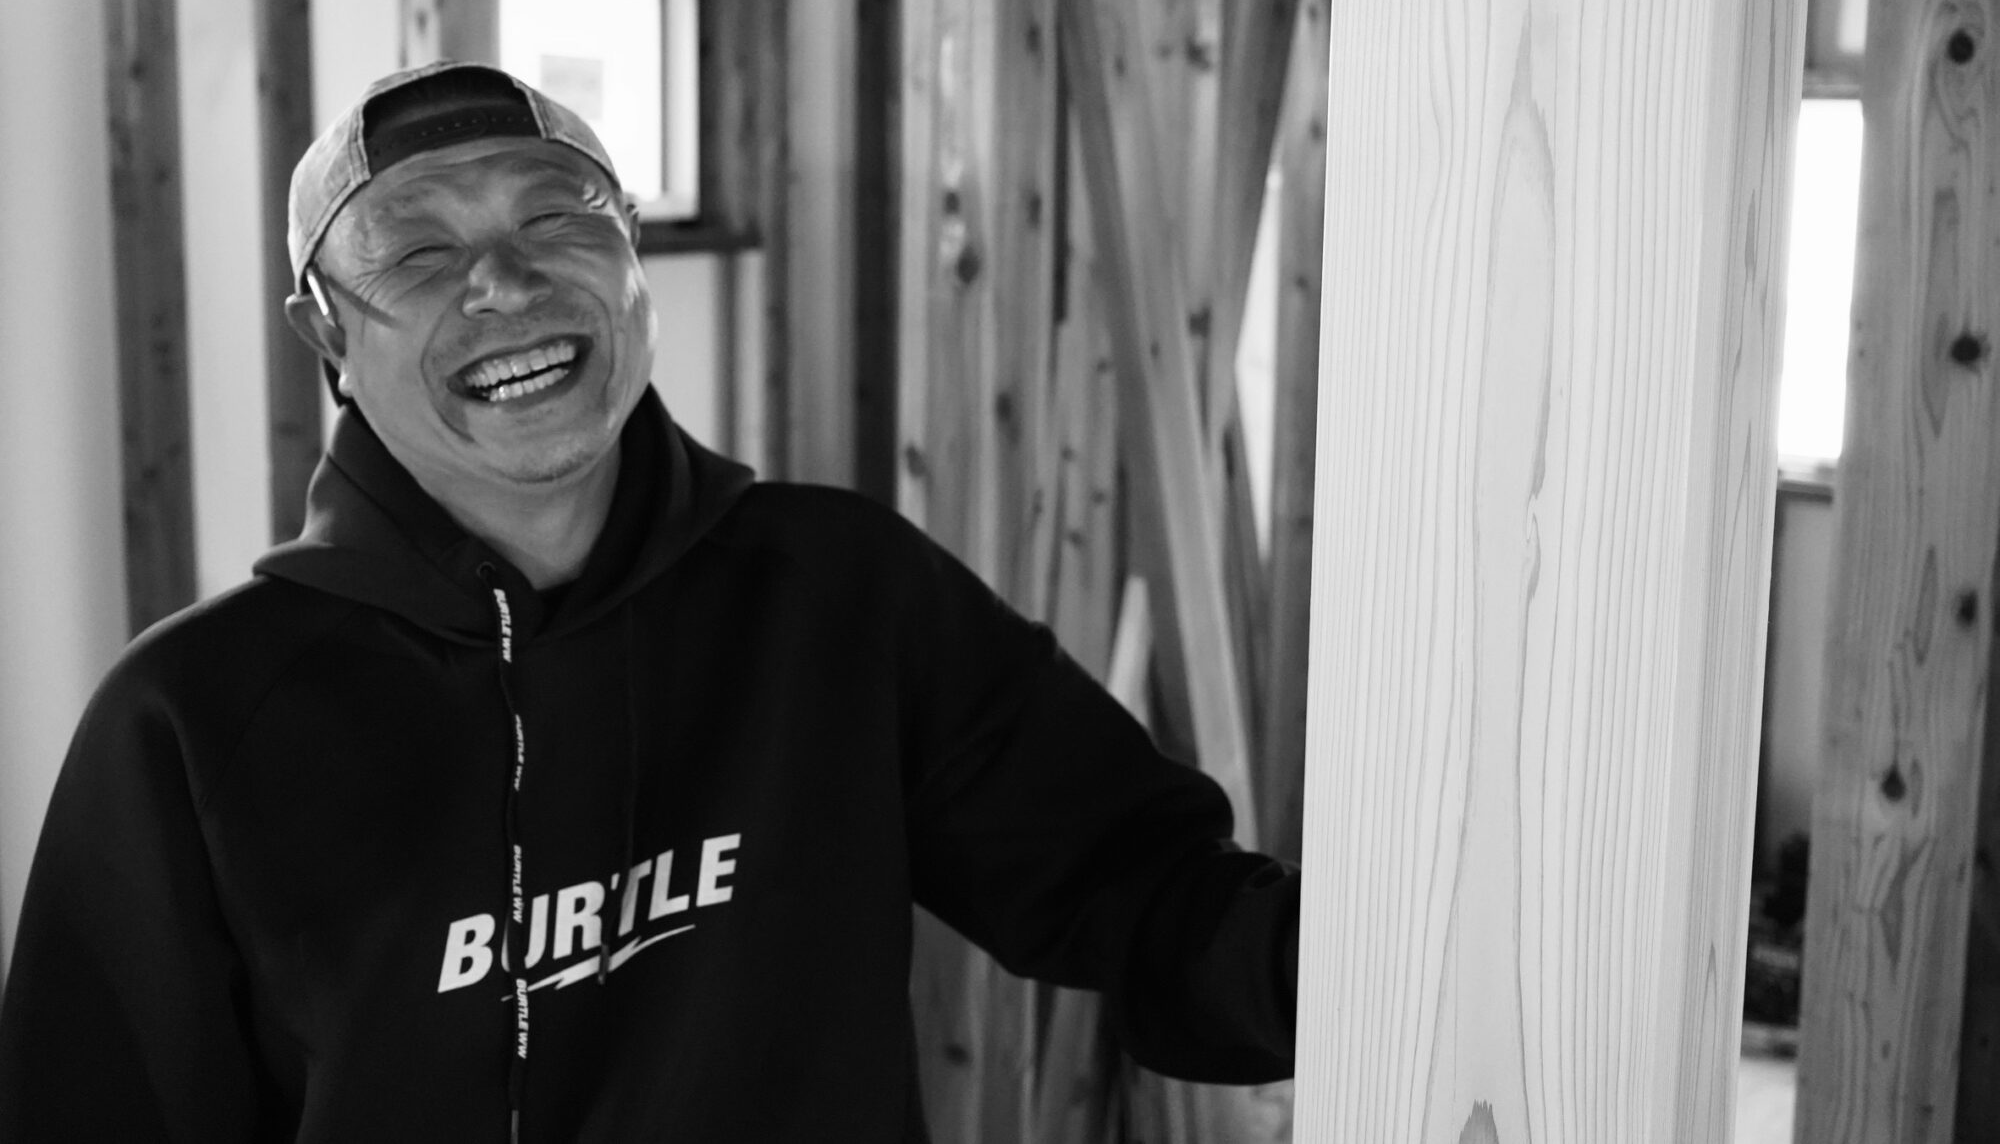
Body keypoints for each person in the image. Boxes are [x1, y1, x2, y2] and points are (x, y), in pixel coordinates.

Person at [0, 62, 1298, 1142]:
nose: (503, 284)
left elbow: (1147, 896)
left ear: (631, 256)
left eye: (556, 218)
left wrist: (1384, 958)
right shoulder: (192, 722)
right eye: (418, 251)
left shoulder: (838, 593)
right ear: (329, 339)